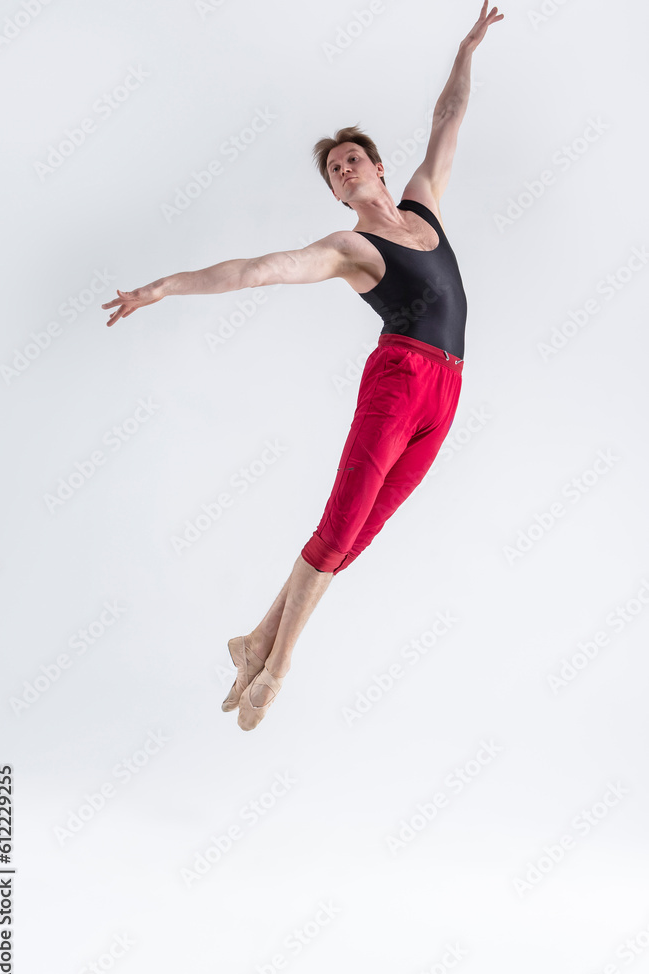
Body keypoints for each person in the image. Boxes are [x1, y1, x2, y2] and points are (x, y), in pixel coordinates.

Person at [102, 2, 504, 731]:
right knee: (341, 520)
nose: (343, 168)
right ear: (334, 193)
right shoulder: (349, 250)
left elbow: (448, 117)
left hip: (448, 390)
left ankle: (255, 637)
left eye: (351, 158)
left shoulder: (425, 203)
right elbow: (259, 269)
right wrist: (164, 287)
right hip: (400, 377)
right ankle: (276, 665)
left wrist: (467, 47)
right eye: (332, 170)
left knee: (362, 533)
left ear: (377, 167)